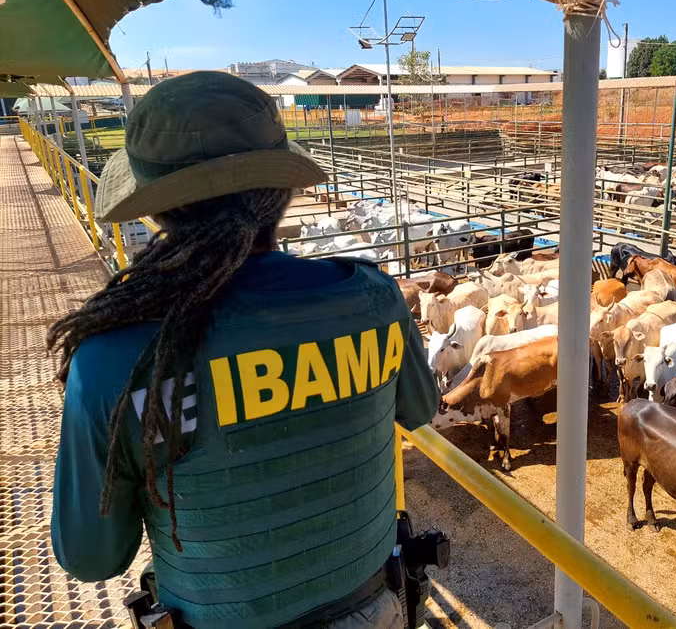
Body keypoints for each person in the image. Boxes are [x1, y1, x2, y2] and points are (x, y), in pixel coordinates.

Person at [48, 71, 439, 629]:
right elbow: (421, 411)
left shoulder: (113, 360)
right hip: (374, 608)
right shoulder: (372, 300)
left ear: (154, 210)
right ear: (280, 193)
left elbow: (91, 555)